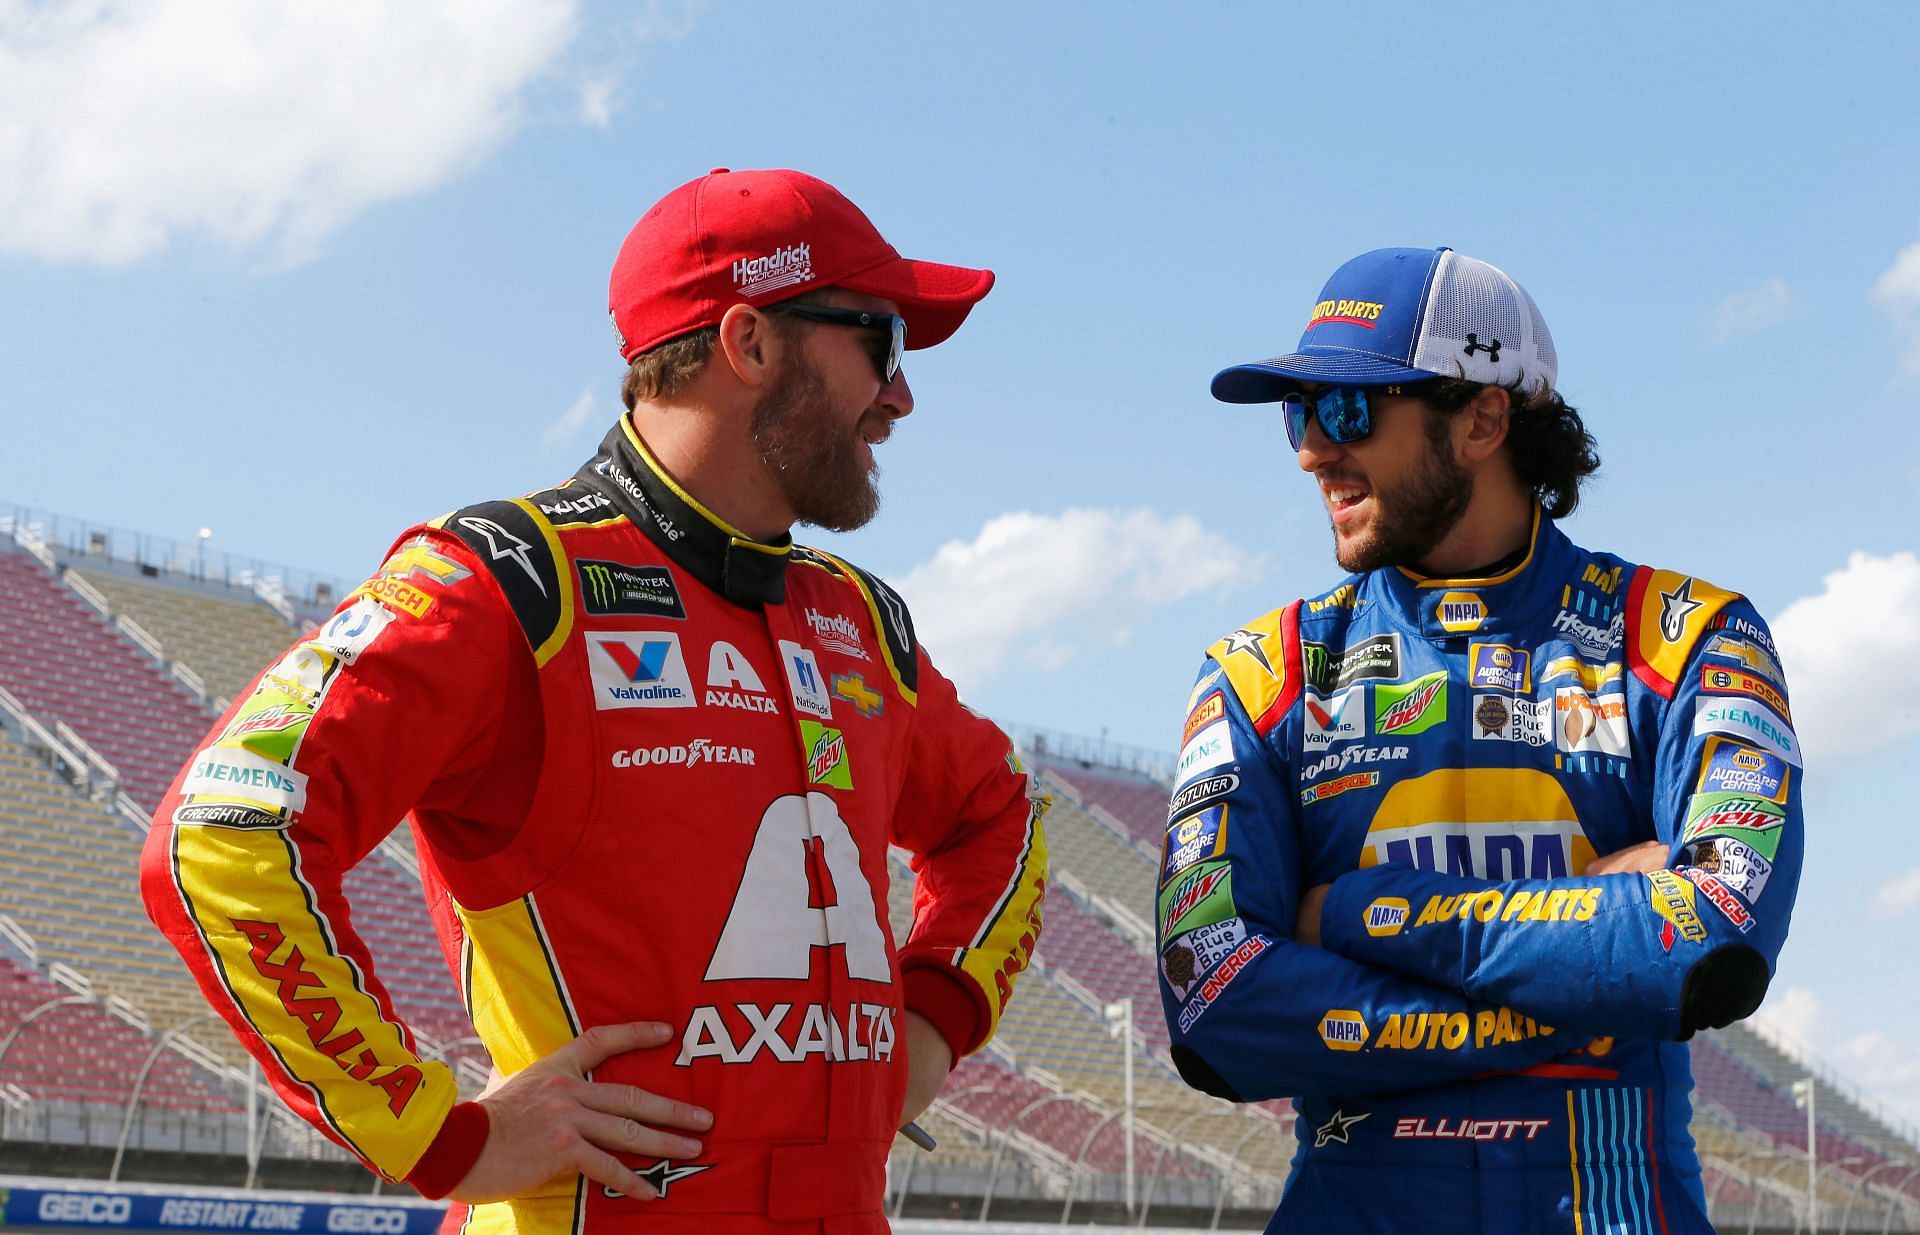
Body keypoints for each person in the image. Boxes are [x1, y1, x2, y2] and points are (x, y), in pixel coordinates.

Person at [141, 167, 1049, 1234]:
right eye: (880, 343)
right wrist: (438, 1131)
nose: (899, 396)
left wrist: (933, 1018)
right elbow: (223, 828)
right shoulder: (506, 577)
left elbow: (1005, 814)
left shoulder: (859, 618)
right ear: (750, 342)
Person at [1157, 246, 1801, 1233]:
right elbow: (1214, 1007)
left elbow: (1708, 941)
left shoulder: (1690, 636)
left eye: (1346, 411)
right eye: (1299, 414)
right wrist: (1594, 966)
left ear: (1484, 417)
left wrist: (1363, 915)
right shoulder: (1260, 669)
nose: (1309, 452)